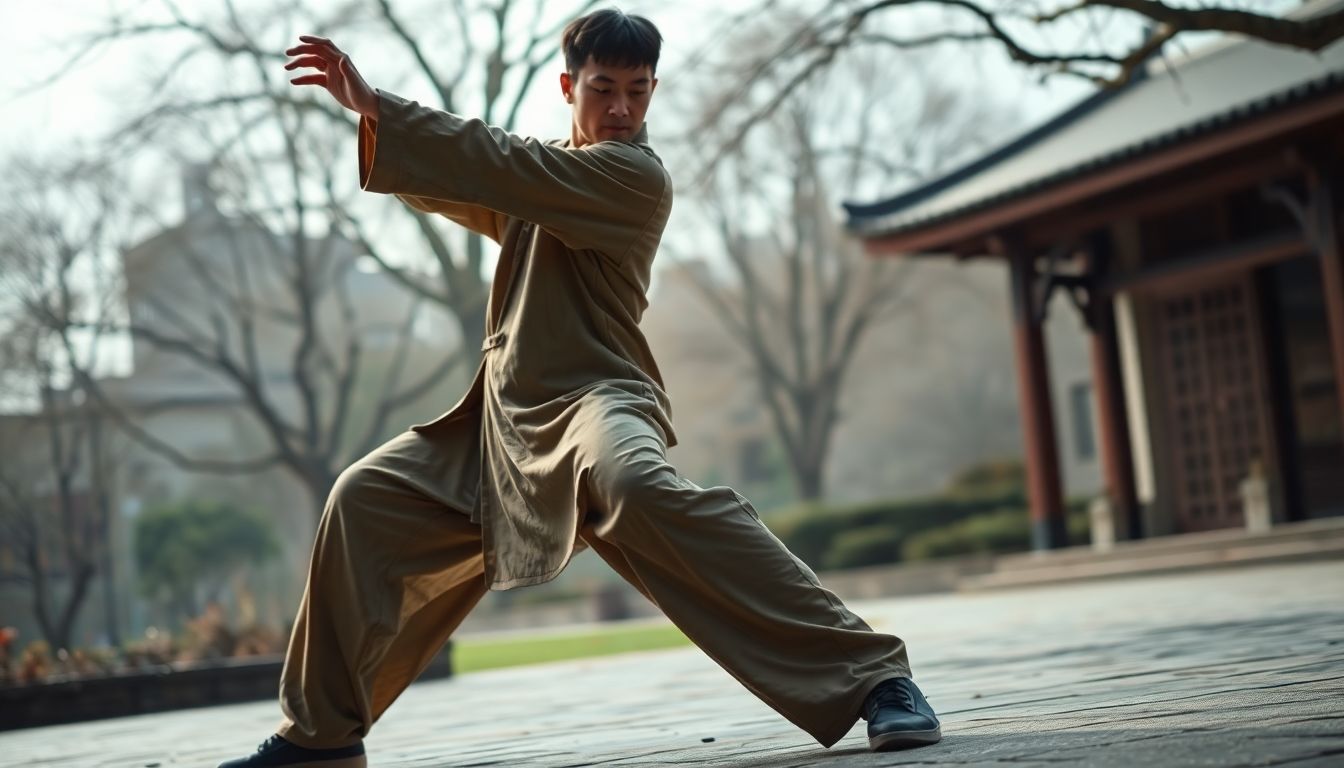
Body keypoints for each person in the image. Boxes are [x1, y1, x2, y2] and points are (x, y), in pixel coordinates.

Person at [221, 10, 940, 768]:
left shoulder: (632, 178)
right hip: (500, 424)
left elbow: (500, 166)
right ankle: (321, 739)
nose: (622, 108)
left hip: (598, 399)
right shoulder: (544, 184)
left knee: (635, 485)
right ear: (568, 87)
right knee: (362, 499)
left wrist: (382, 108)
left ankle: (875, 678)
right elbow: (460, 181)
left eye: (638, 90)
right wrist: (381, 128)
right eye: (604, 89)